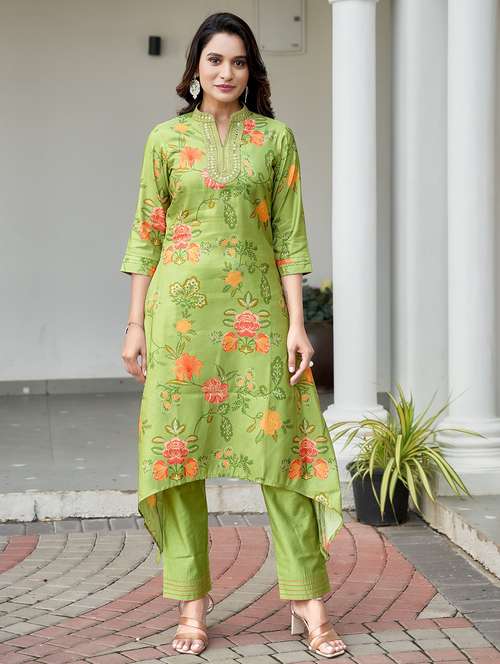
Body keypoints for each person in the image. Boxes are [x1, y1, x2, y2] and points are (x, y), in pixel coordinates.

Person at [120, 11, 346, 659]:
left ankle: (307, 600)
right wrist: (135, 324)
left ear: (252, 72)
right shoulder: (165, 140)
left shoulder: (274, 140)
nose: (227, 72)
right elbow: (147, 233)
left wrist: (298, 323)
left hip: (258, 319)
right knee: (180, 458)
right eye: (216, 60)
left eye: (239, 61)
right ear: (195, 67)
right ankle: (191, 605)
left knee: (284, 454)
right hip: (179, 322)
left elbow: (290, 237)